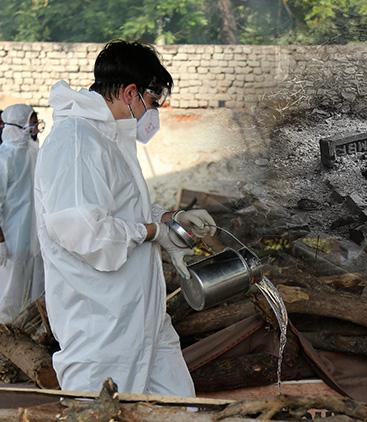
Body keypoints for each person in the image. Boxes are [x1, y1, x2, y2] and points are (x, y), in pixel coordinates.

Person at [35, 40, 217, 395]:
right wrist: (153, 232)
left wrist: (171, 217)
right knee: (103, 414)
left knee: (180, 409)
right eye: (152, 103)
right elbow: (84, 230)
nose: (154, 115)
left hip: (142, 316)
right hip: (101, 327)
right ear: (131, 92)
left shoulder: (109, 137)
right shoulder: (76, 142)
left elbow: (124, 207)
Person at [0, 104, 44, 323]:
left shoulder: (35, 152)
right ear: (18, 124)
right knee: (8, 290)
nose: (35, 126)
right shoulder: (3, 157)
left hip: (34, 235)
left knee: (35, 289)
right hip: (12, 237)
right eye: (31, 121)